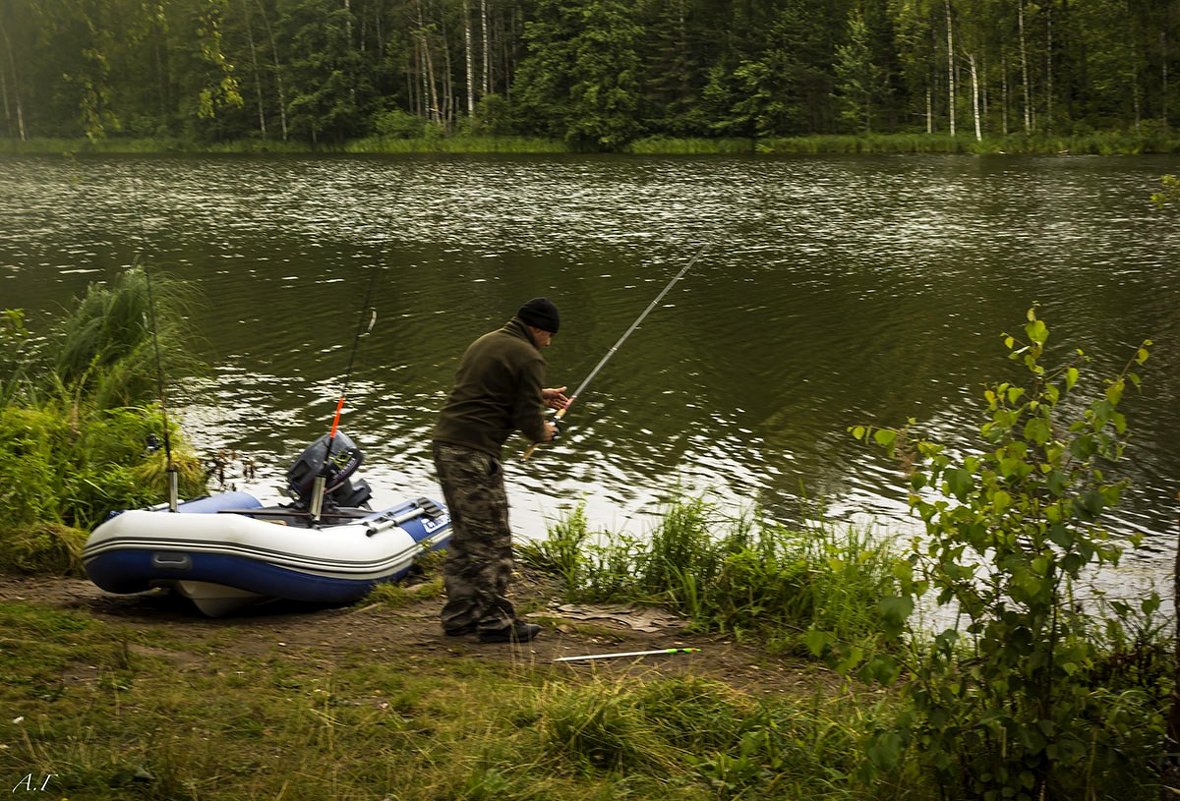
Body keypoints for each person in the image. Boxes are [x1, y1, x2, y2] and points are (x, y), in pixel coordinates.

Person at [432, 297, 569, 643]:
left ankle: (460, 616)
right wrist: (545, 432)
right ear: (538, 329)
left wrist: (539, 394)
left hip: (447, 445)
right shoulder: (529, 356)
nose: (549, 343)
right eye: (549, 335)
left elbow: (491, 391)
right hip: (474, 453)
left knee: (466, 536)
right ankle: (496, 623)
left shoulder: (487, 341)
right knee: (493, 539)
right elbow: (529, 424)